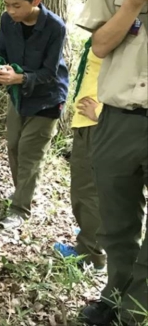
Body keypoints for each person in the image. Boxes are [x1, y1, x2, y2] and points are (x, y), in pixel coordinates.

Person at [75, 0, 147, 326]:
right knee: (116, 222)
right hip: (119, 118)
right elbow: (100, 45)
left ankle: (136, 309)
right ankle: (115, 294)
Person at [0, 0, 69, 229]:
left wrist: (19, 78)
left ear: (35, 1)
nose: (11, 11)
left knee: (30, 154)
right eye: (7, 5)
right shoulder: (7, 21)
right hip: (18, 96)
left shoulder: (54, 27)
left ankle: (20, 209)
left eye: (16, 5)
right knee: (14, 146)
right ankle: (22, 192)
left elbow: (50, 73)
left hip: (47, 98)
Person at [54, 39, 106, 272]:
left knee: (89, 192)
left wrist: (104, 115)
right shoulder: (112, 28)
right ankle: (92, 235)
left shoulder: (135, 29)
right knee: (88, 190)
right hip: (88, 123)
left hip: (101, 125)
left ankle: (90, 255)